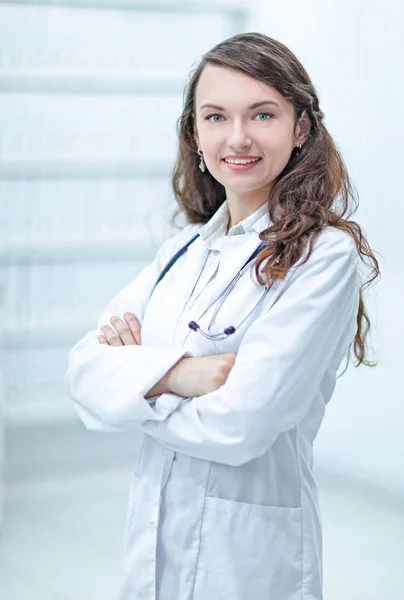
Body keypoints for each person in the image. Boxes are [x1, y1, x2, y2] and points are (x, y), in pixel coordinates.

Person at [66, 31, 379, 600]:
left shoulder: (323, 257)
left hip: (248, 556)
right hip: (153, 540)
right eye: (215, 117)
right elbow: (83, 371)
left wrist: (133, 383)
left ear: (300, 127)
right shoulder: (182, 250)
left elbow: (240, 426)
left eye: (262, 114)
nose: (238, 137)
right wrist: (177, 376)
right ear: (194, 132)